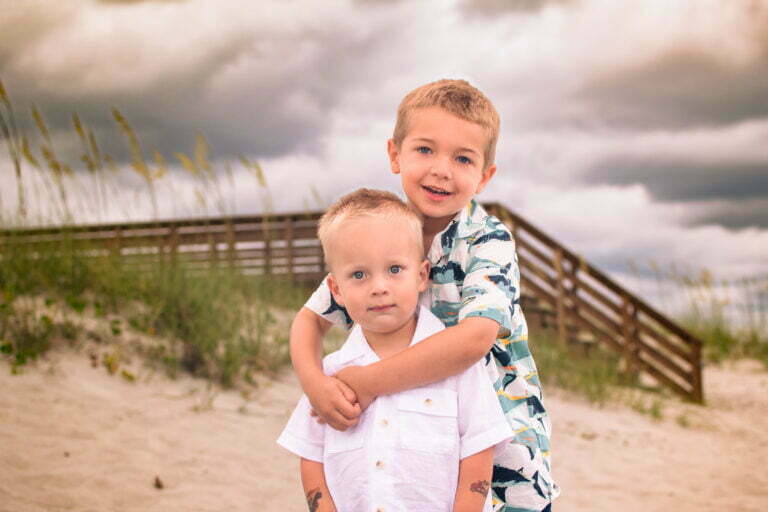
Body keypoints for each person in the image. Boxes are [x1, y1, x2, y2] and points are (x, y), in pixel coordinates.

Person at [290, 79, 558, 511]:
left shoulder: (487, 241)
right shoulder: (382, 234)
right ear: (395, 154)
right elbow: (310, 320)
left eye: (463, 158)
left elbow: (475, 338)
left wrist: (367, 383)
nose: (441, 170)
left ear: (485, 176)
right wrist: (316, 384)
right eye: (425, 150)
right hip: (417, 434)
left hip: (497, 440)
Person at [278, 189, 512, 511]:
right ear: (336, 290)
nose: (379, 287)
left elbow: (478, 449)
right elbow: (311, 456)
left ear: (421, 276)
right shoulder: (331, 375)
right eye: (359, 275)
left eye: (394, 270)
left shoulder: (458, 366)